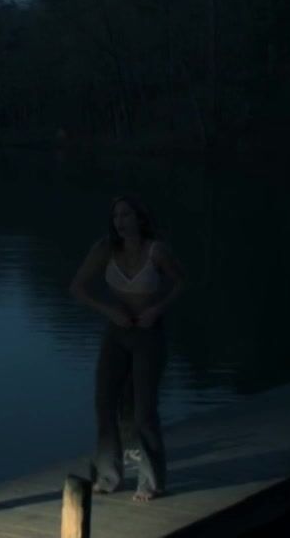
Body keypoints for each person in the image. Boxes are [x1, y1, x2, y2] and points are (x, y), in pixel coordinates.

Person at [69, 195, 186, 502]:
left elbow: (180, 283)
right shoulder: (105, 249)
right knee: (105, 403)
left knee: (144, 411)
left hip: (148, 334)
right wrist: (108, 310)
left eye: (126, 215)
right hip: (117, 333)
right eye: (116, 216)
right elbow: (77, 287)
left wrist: (156, 309)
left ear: (140, 218)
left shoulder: (156, 250)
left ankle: (151, 482)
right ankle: (108, 476)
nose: (120, 221)